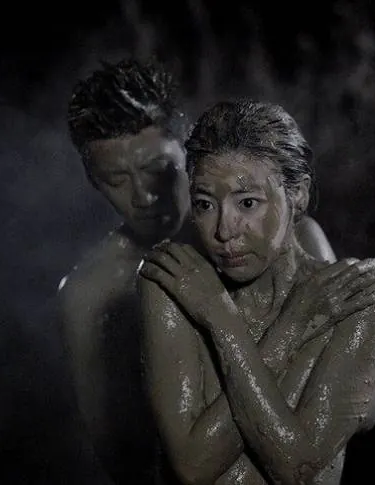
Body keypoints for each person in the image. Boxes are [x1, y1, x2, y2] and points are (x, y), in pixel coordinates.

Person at [58, 60, 336, 484]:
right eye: (116, 179)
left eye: (157, 169)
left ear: (187, 150)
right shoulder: (90, 292)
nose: (144, 195)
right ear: (93, 180)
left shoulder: (292, 240)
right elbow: (115, 449)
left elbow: (353, 399)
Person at [138, 99, 375, 484]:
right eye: (205, 204)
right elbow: (193, 467)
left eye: (247, 203)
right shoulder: (174, 282)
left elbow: (296, 469)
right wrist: (256, 320)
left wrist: (224, 318)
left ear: (298, 194)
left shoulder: (357, 295)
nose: (224, 231)